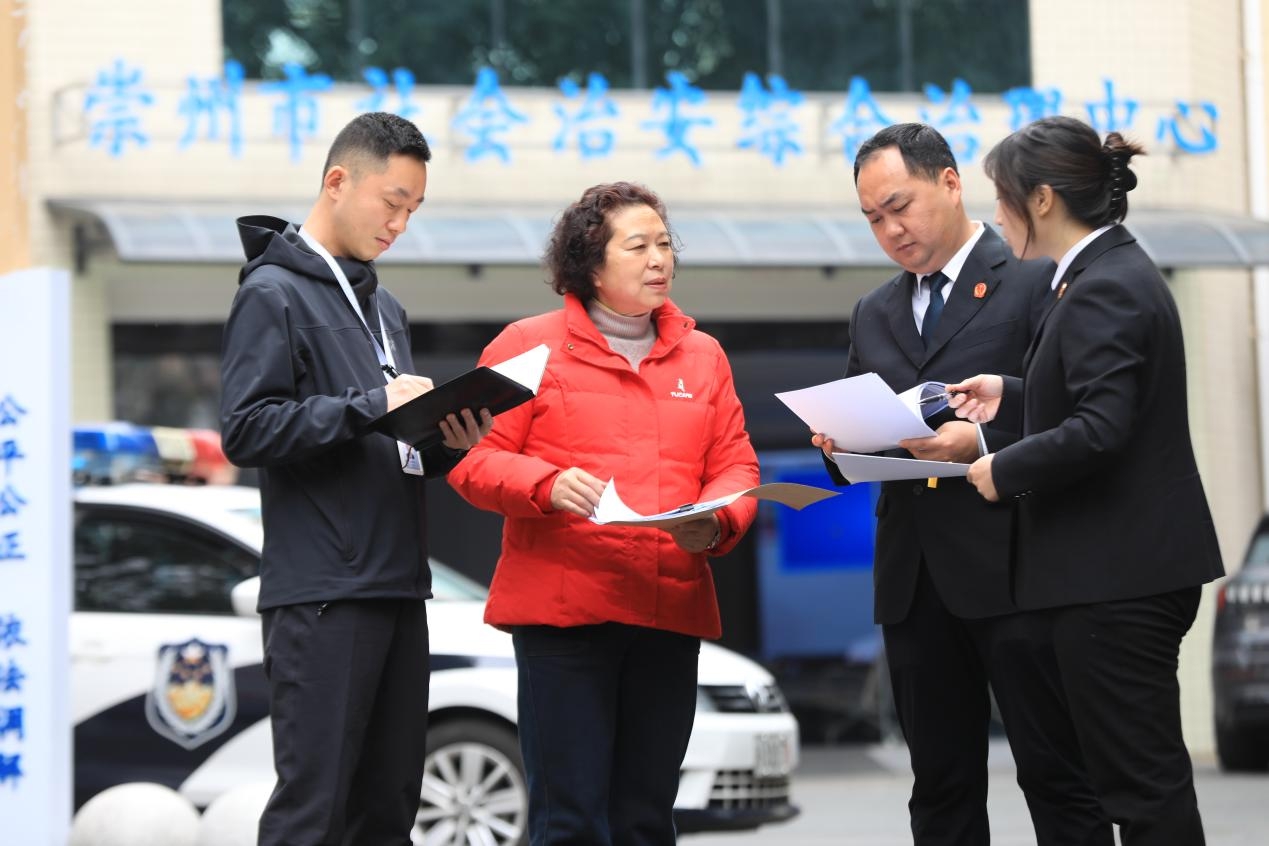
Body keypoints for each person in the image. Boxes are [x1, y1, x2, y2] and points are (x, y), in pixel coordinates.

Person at [811, 123, 1110, 846]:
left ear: (950, 182)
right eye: (872, 218)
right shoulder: (873, 311)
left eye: (899, 206)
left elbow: (1077, 414)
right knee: (940, 787)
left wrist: (978, 442)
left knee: (1058, 776)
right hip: (915, 580)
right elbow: (856, 435)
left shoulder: (1035, 276)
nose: (890, 230)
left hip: (1020, 569)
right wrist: (837, 444)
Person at [447, 181, 760, 845]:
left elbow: (736, 465)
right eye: (638, 246)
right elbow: (472, 461)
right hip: (566, 618)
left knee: (646, 820)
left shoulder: (703, 355)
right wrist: (545, 483)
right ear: (590, 263)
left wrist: (718, 521)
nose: (659, 260)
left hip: (667, 609)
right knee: (570, 821)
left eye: (665, 244)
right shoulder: (526, 346)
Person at [947, 115, 1226, 845]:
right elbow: (1096, 398)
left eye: (1001, 197)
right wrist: (1011, 394)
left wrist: (1002, 467)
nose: (994, 214)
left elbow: (1102, 427)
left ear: (1041, 199)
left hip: (1117, 580)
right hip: (1115, 575)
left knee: (1142, 790)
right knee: (1134, 783)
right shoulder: (1098, 274)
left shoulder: (1104, 285)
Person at [219, 112, 492, 846]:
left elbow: (387, 439)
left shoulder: (383, 306)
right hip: (323, 594)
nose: (400, 224)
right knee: (315, 811)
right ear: (338, 181)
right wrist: (371, 404)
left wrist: (446, 440)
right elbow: (246, 429)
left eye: (413, 210)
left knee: (389, 810)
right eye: (392, 202)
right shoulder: (271, 292)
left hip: (399, 584)